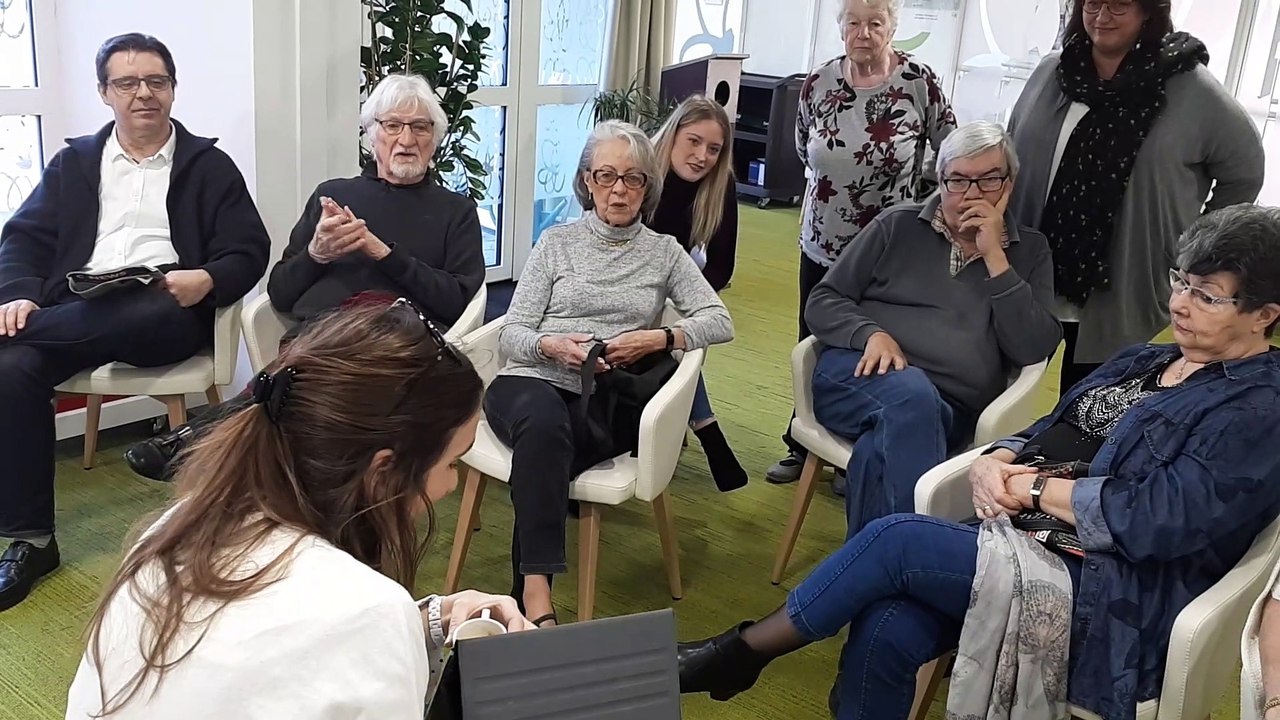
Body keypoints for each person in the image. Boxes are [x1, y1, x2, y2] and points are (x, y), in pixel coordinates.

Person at [678, 203, 1280, 720]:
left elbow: (1158, 519)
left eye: (1208, 296)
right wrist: (998, 456)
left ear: (1265, 314)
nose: (1181, 304)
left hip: (1107, 581)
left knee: (895, 541)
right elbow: (1050, 425)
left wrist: (1033, 490)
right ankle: (744, 659)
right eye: (1180, 282)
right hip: (1018, 535)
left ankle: (741, 653)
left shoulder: (1259, 407)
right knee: (887, 622)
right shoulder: (1145, 360)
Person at [64, 301, 534, 718]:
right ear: (383, 470)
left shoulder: (173, 530)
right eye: (451, 463)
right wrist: (395, 629)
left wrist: (424, 623)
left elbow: (273, 654)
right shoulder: (366, 612)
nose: (452, 483)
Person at [0, 33, 270, 612]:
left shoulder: (209, 166)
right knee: (14, 364)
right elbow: (22, 239)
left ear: (172, 89)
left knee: (151, 302)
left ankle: (59, 324)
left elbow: (249, 249)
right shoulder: (74, 163)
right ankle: (31, 540)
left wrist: (208, 279)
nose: (143, 93)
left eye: (156, 81)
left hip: (162, 312)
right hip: (78, 307)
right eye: (127, 82)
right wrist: (19, 295)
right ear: (105, 92)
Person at [123, 73, 485, 481]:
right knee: (315, 366)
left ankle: (202, 439)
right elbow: (280, 293)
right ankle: (241, 464)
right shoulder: (334, 196)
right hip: (319, 337)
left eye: (420, 127)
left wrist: (384, 254)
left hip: (398, 348)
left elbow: (455, 301)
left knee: (309, 374)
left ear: (434, 139)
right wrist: (317, 254)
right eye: (393, 125)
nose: (406, 139)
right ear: (371, 135)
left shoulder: (456, 211)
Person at [488, 120, 734, 627]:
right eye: (606, 176)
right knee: (544, 427)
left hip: (605, 396)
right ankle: (537, 596)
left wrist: (658, 338)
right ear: (587, 181)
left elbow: (719, 320)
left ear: (647, 187)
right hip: (532, 379)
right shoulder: (556, 242)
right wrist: (551, 346)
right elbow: (512, 333)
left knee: (547, 445)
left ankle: (529, 598)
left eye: (633, 178)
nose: (619, 189)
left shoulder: (664, 252)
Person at [802, 121, 1058, 530]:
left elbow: (1034, 348)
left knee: (881, 448)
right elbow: (823, 300)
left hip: (948, 410)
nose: (972, 194)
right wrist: (870, 334)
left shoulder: (1030, 250)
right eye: (958, 180)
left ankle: (878, 560)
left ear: (1009, 185)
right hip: (857, 376)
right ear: (940, 181)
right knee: (911, 398)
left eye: (989, 180)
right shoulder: (896, 225)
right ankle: (907, 551)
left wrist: (996, 259)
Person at [1006, 0, 1263, 396]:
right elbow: (1010, 149)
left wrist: (1197, 248)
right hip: (1033, 275)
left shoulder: (1190, 87)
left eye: (1119, 5)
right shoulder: (1053, 73)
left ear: (1148, 12)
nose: (1101, 16)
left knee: (1097, 404)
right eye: (1092, 3)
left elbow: (1245, 171)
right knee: (1007, 393)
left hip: (1125, 286)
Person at [768, 0, 957, 484]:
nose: (864, 33)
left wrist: (930, 208)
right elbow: (803, 147)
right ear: (841, 29)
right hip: (822, 241)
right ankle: (802, 440)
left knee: (878, 343)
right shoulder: (819, 82)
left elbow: (951, 152)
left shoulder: (918, 82)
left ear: (892, 28)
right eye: (853, 23)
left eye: (875, 23)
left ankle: (854, 448)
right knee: (813, 337)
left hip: (890, 250)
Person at [649, 94, 747, 492]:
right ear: (673, 134)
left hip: (676, 290)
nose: (702, 156)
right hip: (624, 282)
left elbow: (722, 266)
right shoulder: (640, 171)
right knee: (660, 333)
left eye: (714, 149)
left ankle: (690, 424)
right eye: (693, 141)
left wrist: (690, 299)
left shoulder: (721, 186)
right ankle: (707, 429)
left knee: (674, 329)